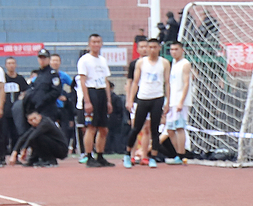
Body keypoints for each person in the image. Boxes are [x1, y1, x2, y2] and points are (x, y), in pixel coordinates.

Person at [125, 37, 170, 168]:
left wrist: (167, 101)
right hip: (143, 98)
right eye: (150, 47)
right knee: (136, 128)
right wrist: (130, 99)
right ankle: (128, 154)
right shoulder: (141, 63)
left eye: (155, 47)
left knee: (154, 130)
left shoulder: (164, 63)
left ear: (159, 48)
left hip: (158, 98)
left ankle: (152, 157)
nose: (152, 50)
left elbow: (167, 83)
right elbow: (135, 82)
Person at [76, 34, 115, 167]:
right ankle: (88, 156)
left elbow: (106, 80)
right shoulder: (84, 60)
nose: (96, 44)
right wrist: (87, 101)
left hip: (102, 92)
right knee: (91, 127)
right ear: (89, 43)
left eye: (98, 42)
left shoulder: (103, 60)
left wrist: (108, 100)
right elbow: (82, 80)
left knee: (103, 128)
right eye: (93, 42)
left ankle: (100, 155)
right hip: (91, 92)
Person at [163, 41, 193, 163]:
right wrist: (168, 101)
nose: (173, 52)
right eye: (172, 49)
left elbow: (186, 83)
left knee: (180, 127)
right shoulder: (173, 64)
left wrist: (181, 101)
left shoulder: (185, 64)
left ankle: (181, 154)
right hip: (172, 101)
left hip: (180, 100)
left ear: (182, 50)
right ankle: (178, 152)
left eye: (176, 49)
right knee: (170, 129)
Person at [2, 58, 27, 163]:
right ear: (5, 65)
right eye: (9, 63)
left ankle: (15, 155)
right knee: (3, 134)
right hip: (4, 111)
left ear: (16, 65)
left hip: (16, 112)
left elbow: (26, 90)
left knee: (16, 134)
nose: (11, 65)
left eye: (12, 63)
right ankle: (1, 157)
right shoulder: (2, 78)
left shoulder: (20, 79)